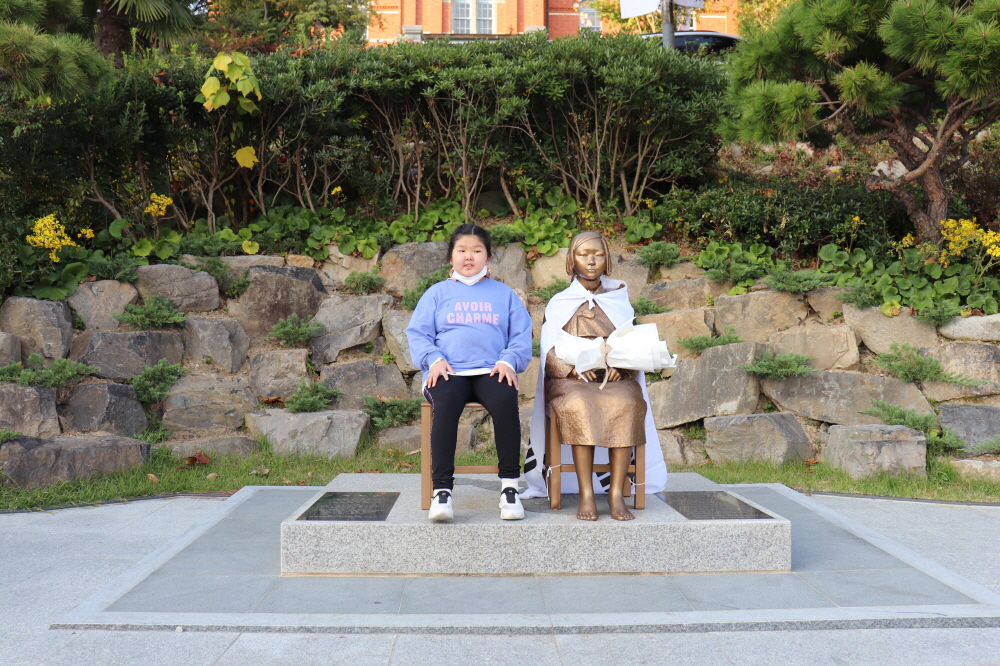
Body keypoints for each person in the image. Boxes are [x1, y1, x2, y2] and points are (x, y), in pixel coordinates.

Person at [521, 231, 667, 520]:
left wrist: (621, 367)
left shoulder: (619, 302)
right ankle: (586, 493)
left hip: (615, 379)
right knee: (580, 405)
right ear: (571, 260)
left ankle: (615, 493)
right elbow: (550, 352)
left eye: (598, 255)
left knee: (627, 403)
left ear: (607, 260)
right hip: (572, 381)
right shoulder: (560, 303)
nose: (591, 261)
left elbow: (631, 344)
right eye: (583, 255)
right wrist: (576, 367)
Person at [406, 224, 533, 522]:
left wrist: (509, 361)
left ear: (488, 256)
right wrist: (434, 359)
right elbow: (418, 334)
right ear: (450, 256)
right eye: (461, 250)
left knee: (505, 398)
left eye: (477, 250)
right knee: (447, 401)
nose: (469, 256)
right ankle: (442, 491)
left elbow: (521, 336)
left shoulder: (504, 295)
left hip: (491, 370)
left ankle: (510, 488)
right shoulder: (437, 293)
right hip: (449, 371)